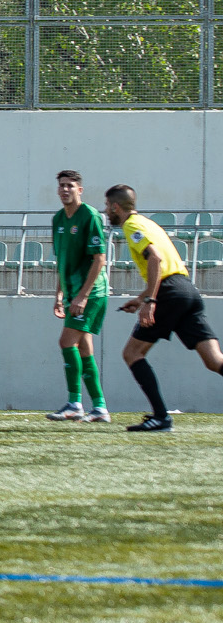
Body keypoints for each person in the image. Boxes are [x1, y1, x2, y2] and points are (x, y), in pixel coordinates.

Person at [105, 183, 223, 432]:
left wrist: (150, 301)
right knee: (214, 361)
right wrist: (141, 298)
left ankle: (161, 417)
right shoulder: (149, 223)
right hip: (186, 290)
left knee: (132, 354)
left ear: (116, 206)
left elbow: (156, 259)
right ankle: (160, 417)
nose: (106, 211)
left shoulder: (131, 225)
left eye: (107, 206)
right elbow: (165, 266)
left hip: (169, 293)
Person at [47, 170, 111, 423]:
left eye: (70, 186)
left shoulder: (90, 216)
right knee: (84, 348)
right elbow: (61, 260)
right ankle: (100, 407)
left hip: (91, 293)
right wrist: (59, 294)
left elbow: (100, 259)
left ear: (80, 190)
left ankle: (74, 403)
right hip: (73, 293)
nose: (65, 190)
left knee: (66, 342)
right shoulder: (58, 219)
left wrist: (83, 296)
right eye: (61, 185)